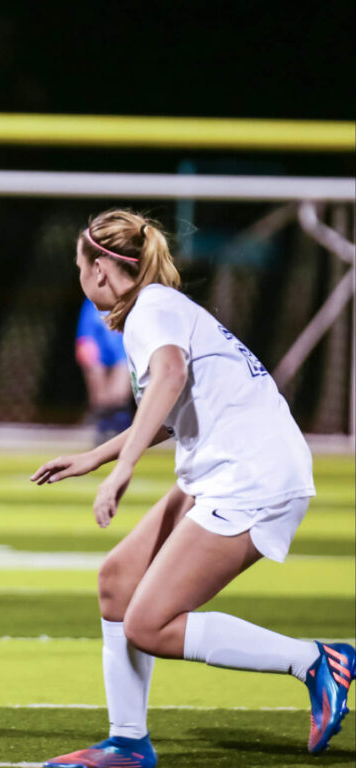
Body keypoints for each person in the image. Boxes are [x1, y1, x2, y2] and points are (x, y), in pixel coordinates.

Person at [31, 209, 353, 768]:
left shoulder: (149, 312)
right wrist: (97, 456)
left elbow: (173, 375)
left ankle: (317, 661)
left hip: (252, 476)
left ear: (101, 270)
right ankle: (128, 743)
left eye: (80, 269)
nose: (81, 281)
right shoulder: (156, 307)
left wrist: (124, 469)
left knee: (148, 624)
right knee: (117, 583)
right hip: (225, 469)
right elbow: (171, 407)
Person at [75, 297, 134, 444]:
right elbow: (86, 336)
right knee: (100, 397)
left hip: (123, 349)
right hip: (99, 349)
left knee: (118, 394)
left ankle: (122, 433)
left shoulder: (129, 301)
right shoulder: (91, 303)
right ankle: (103, 431)